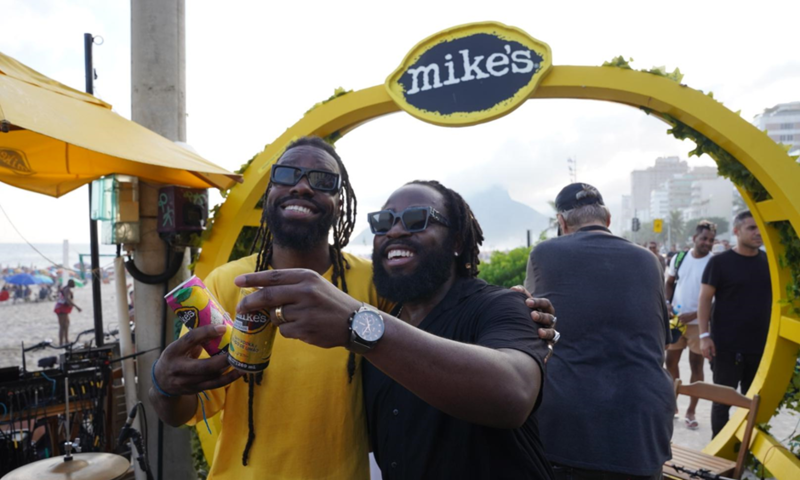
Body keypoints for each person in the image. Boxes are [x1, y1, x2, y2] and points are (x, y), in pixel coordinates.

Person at [150, 138, 555, 479]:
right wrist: (165, 387)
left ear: (340, 202)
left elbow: (435, 313)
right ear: (268, 193)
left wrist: (516, 312)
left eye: (323, 180)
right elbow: (187, 405)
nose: (303, 187)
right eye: (287, 175)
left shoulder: (373, 283)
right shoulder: (226, 284)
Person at [235, 180, 555, 479]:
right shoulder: (385, 325)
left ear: (457, 240)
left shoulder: (502, 306)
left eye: (416, 219)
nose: (395, 232)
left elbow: (513, 395)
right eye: (383, 222)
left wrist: (359, 326)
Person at [524, 183, 674, 479]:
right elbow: (661, 344)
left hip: (571, 425)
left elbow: (530, 330)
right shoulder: (650, 260)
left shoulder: (544, 254)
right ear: (607, 220)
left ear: (562, 223)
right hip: (644, 424)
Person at [698, 210, 771, 437]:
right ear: (737, 231)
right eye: (751, 228)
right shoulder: (719, 263)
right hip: (725, 346)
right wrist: (704, 336)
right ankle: (719, 455)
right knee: (722, 402)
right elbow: (705, 299)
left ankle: (743, 450)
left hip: (760, 347)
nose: (758, 232)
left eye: (760, 227)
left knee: (753, 402)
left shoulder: (770, 264)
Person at [664, 220, 716, 430]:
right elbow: (669, 284)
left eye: (711, 240)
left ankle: (691, 410)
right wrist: (667, 304)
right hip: (676, 322)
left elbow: (716, 298)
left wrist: (695, 314)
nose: (707, 243)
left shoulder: (714, 263)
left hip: (698, 325)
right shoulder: (680, 258)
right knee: (670, 363)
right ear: (694, 238)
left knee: (697, 366)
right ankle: (673, 403)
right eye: (704, 238)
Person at [54, 279, 82, 345]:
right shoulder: (67, 289)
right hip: (61, 308)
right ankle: (61, 342)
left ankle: (66, 340)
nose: (74, 285)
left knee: (66, 324)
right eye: (73, 283)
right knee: (62, 325)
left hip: (62, 307)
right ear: (71, 283)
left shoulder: (65, 288)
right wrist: (76, 307)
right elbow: (67, 299)